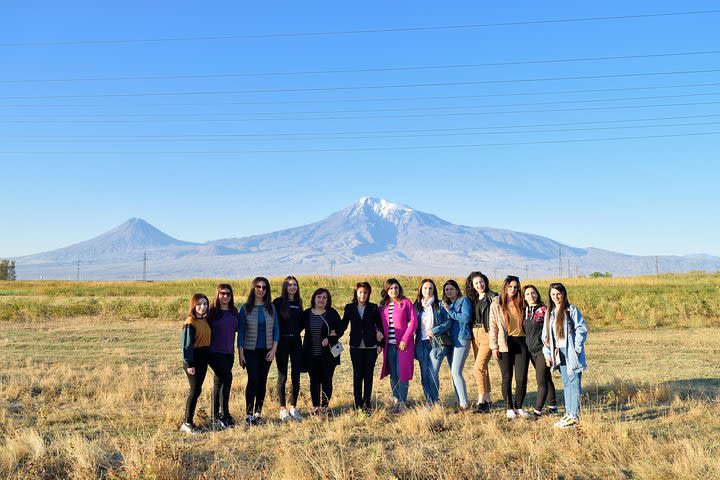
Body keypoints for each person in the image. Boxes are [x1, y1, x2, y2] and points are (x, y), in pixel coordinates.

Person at [542, 282, 588, 428]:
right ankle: (569, 413)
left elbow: (581, 329)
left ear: (564, 294)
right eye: (553, 294)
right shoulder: (550, 313)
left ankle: (574, 416)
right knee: (567, 383)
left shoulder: (571, 310)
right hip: (558, 353)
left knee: (574, 383)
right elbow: (546, 336)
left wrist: (577, 347)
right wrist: (548, 353)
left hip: (571, 353)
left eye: (559, 294)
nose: (556, 297)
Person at [237, 277, 279, 426]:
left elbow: (276, 330)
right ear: (253, 288)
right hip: (250, 350)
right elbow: (241, 331)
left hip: (267, 350)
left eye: (264, 287)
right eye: (258, 287)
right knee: (253, 379)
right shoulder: (245, 308)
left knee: (262, 381)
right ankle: (248, 414)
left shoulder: (271, 308)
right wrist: (240, 353)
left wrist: (273, 350)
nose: (261, 290)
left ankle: (258, 413)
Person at [489, 275, 530, 419]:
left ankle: (519, 407)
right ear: (505, 287)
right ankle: (509, 408)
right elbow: (493, 326)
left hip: (521, 342)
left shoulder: (523, 302)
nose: (513, 289)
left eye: (515, 287)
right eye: (510, 286)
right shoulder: (496, 303)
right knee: (507, 377)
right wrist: (494, 346)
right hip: (504, 343)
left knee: (522, 377)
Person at [340, 282, 383, 413]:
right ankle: (358, 403)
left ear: (368, 294)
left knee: (368, 375)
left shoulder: (373, 307)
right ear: (356, 293)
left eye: (365, 292)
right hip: (355, 346)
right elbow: (343, 325)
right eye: (360, 292)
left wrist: (381, 344)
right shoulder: (349, 308)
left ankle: (367, 403)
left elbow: (380, 327)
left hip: (371, 347)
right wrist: (334, 333)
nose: (363, 295)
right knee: (357, 375)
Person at [429, 279, 472, 410]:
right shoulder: (449, 304)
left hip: (462, 339)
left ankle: (464, 404)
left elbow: (466, 318)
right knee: (454, 372)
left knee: (455, 371)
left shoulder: (464, 301)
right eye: (446, 289)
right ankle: (459, 400)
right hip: (451, 341)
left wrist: (450, 311)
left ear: (457, 290)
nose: (449, 291)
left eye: (451, 289)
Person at [378, 278, 418, 413]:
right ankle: (396, 402)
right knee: (393, 375)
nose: (393, 290)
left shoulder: (406, 303)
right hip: (389, 346)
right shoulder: (383, 306)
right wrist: (377, 333)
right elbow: (376, 323)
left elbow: (413, 322)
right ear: (386, 290)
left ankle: (402, 403)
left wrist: (405, 340)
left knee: (403, 374)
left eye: (396, 287)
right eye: (390, 288)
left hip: (403, 346)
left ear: (399, 289)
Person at [301, 288, 342, 414]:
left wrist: (331, 337)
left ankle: (324, 406)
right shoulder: (307, 313)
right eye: (319, 297)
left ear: (328, 300)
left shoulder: (331, 313)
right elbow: (297, 327)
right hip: (311, 353)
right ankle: (316, 406)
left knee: (326, 379)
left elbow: (340, 329)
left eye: (324, 297)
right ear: (314, 298)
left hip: (328, 354)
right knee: (314, 380)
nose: (321, 300)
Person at [465, 271, 498, 413]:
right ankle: (488, 399)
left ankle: (481, 402)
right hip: (475, 333)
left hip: (487, 333)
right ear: (472, 285)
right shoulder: (473, 299)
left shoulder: (493, 297)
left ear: (485, 281)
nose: (480, 284)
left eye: (481, 281)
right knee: (483, 368)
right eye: (476, 283)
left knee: (478, 367)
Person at [522, 284, 557, 417]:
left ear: (537, 294)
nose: (531, 296)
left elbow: (550, 329)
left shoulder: (544, 310)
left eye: (533, 293)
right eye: (528, 294)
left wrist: (549, 347)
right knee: (546, 377)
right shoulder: (524, 311)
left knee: (540, 380)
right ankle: (552, 406)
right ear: (524, 297)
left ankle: (537, 411)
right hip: (531, 350)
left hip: (542, 350)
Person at [272, 276, 304, 421]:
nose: (293, 287)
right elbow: (274, 323)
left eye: (295, 285)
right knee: (282, 375)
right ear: (285, 287)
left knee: (296, 375)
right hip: (282, 342)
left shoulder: (298, 302)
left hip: (296, 341)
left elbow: (301, 322)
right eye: (290, 285)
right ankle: (282, 409)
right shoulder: (278, 302)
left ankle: (293, 407)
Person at [207, 283, 239, 429]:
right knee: (227, 380)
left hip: (229, 353)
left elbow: (239, 329)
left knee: (219, 382)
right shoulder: (212, 312)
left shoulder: (234, 311)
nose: (225, 296)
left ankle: (215, 416)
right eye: (222, 293)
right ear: (217, 295)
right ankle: (224, 414)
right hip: (214, 352)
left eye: (228, 294)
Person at [180, 293, 211, 434]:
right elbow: (187, 345)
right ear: (193, 305)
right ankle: (187, 423)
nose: (202, 307)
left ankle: (189, 421)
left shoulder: (204, 320)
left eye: (205, 304)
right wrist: (189, 364)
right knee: (194, 390)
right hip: (194, 360)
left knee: (197, 389)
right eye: (199, 304)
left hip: (203, 359)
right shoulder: (190, 322)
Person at [413, 279, 441, 407]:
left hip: (435, 343)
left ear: (434, 289)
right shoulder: (416, 306)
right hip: (421, 343)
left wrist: (434, 331)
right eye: (425, 288)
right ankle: (429, 401)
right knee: (424, 373)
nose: (428, 291)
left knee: (433, 373)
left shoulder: (439, 305)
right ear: (421, 289)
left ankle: (436, 400)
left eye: (430, 288)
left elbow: (447, 323)